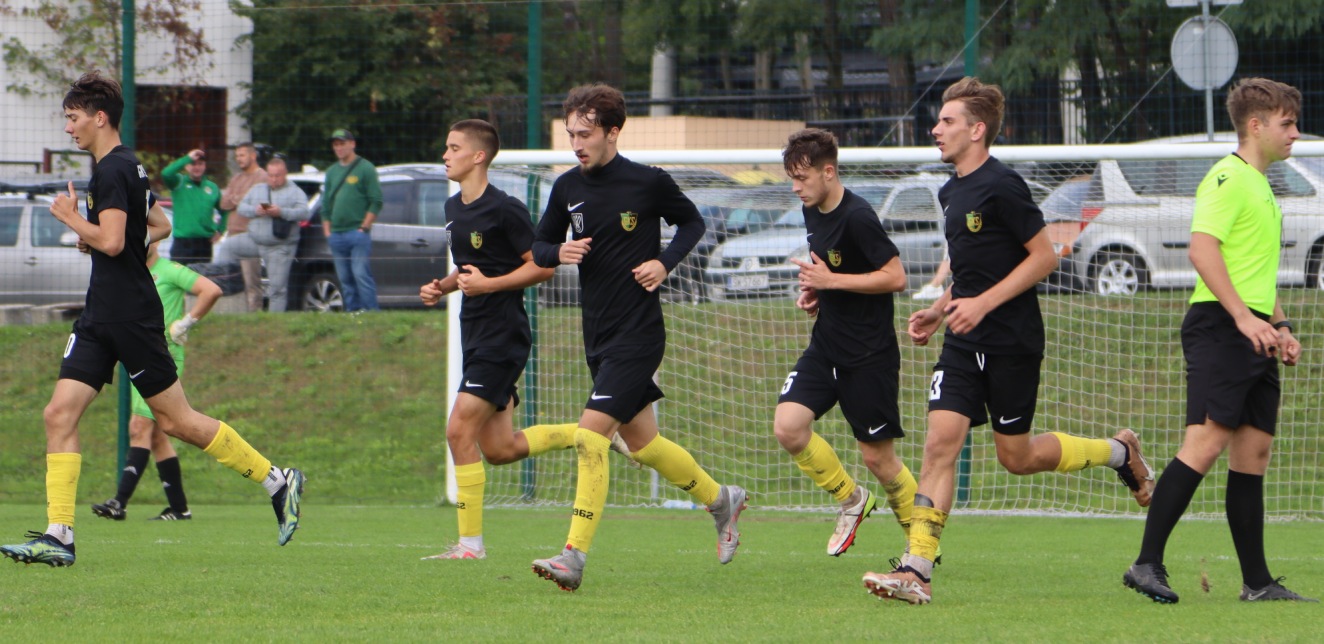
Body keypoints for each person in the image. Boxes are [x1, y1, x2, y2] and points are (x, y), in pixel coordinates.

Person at [862, 77, 1154, 604]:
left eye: (947, 121)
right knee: (938, 444)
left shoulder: (1003, 185)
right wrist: (942, 308)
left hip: (1012, 341)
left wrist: (982, 304)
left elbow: (1044, 257)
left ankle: (1118, 452)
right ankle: (917, 568)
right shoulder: (950, 191)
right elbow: (973, 270)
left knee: (1016, 457)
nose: (936, 129)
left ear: (977, 130)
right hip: (962, 341)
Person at [0, 72, 304, 568]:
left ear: (100, 118)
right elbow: (156, 225)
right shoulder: (126, 167)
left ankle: (278, 480)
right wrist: (100, 235)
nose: (68, 128)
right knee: (58, 414)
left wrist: (73, 219)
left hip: (131, 316)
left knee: (176, 422)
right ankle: (59, 535)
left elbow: (114, 241)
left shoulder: (113, 171)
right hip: (100, 315)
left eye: (72, 118)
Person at [528, 84, 747, 591]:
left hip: (639, 333)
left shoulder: (648, 182)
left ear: (612, 132)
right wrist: (557, 253)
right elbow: (539, 245)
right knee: (642, 443)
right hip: (597, 334)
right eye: (571, 134)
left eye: (585, 134)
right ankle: (722, 500)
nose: (576, 144)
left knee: (590, 436)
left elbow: (692, 223)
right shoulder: (566, 187)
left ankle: (572, 556)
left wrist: (664, 263)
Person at [1122, 78, 1316, 605]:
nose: (1295, 133)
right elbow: (1202, 251)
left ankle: (1257, 583)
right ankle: (1145, 563)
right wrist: (1244, 320)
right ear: (1256, 125)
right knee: (1205, 444)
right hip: (1222, 328)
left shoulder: (1262, 185)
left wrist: (1280, 327)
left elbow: (1253, 274)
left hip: (1253, 330)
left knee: (1254, 453)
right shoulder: (1228, 178)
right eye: (1287, 123)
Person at [417, 119, 585, 560]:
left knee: (458, 431)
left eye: (454, 148)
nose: (445, 155)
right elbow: (470, 267)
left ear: (478, 156)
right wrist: (442, 287)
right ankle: (592, 432)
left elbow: (542, 266)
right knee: (499, 449)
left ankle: (470, 545)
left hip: (502, 335)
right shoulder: (453, 207)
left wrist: (488, 286)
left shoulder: (506, 209)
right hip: (474, 333)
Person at [773, 128, 920, 558]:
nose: (796, 187)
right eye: (792, 179)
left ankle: (921, 545)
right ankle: (851, 500)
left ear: (828, 172)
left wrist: (831, 281)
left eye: (802, 178)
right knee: (788, 427)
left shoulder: (858, 216)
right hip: (826, 347)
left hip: (869, 354)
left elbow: (896, 277)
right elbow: (831, 272)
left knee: (878, 459)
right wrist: (816, 293)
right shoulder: (812, 209)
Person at [91, 236, 223, 521]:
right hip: (138, 356)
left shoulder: (170, 271)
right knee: (158, 435)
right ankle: (179, 509)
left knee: (139, 426)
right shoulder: (133, 273)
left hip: (162, 357)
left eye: (145, 240)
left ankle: (119, 502)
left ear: (157, 243)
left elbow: (211, 290)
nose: (139, 244)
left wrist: (186, 323)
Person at [219, 153, 311, 312]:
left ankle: (274, 321)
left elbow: (304, 213)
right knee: (229, 247)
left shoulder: (295, 191)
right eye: (270, 175)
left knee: (277, 289)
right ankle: (220, 287)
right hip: (254, 240)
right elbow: (241, 208)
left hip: (279, 246)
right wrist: (255, 211)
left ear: (285, 174)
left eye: (277, 175)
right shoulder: (258, 189)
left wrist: (281, 212)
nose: (273, 179)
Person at [322, 128, 382, 312]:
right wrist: (328, 232)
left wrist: (364, 227)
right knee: (344, 278)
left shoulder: (366, 168)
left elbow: (376, 201)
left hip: (357, 232)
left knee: (360, 274)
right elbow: (326, 205)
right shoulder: (331, 172)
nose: (339, 148)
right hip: (336, 234)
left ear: (352, 144)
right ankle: (352, 313)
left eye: (342, 143)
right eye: (336, 144)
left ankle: (371, 313)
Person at [217, 142, 269, 312]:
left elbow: (258, 204)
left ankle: (255, 316)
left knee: (251, 282)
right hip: (232, 235)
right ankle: (233, 315)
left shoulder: (262, 177)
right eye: (237, 156)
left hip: (249, 237)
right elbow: (224, 203)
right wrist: (240, 198)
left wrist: (236, 198)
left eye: (242, 155)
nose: (239, 159)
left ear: (253, 156)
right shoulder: (236, 178)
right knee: (228, 279)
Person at [160, 149, 222, 265]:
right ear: (187, 166)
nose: (197, 167)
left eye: (200, 164)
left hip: (204, 243)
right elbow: (166, 173)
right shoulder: (179, 182)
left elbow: (224, 209)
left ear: (205, 166)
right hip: (183, 243)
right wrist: (187, 158)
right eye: (193, 164)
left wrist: (220, 230)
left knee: (201, 275)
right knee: (178, 275)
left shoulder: (212, 188)